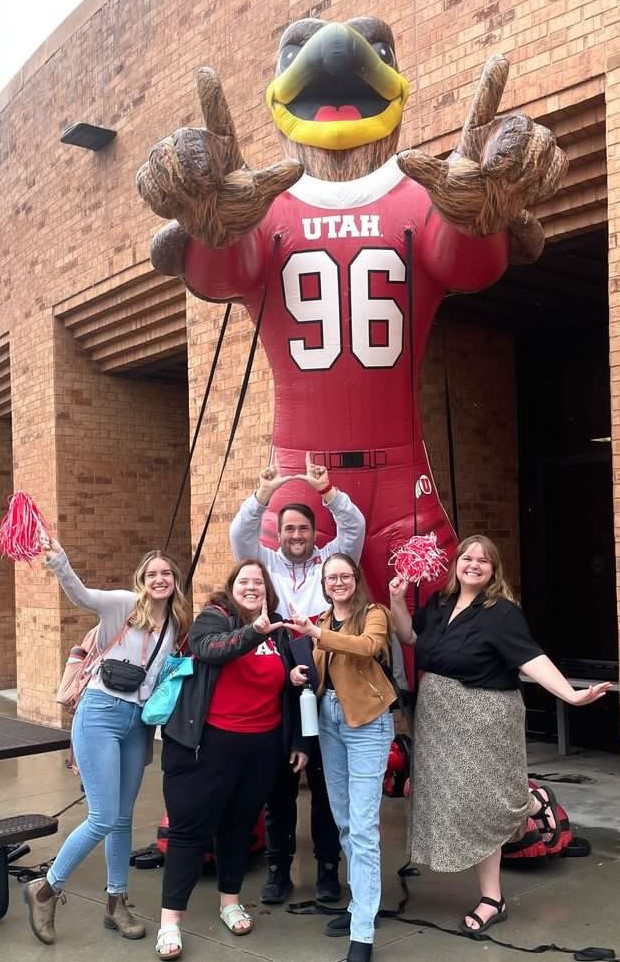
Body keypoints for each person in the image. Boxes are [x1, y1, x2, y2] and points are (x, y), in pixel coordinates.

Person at [389, 534, 611, 935]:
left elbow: (532, 658)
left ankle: (493, 897)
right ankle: (529, 805)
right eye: (467, 557)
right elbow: (410, 637)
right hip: (439, 719)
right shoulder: (438, 605)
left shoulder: (501, 612)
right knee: (452, 799)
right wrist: (397, 600)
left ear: (494, 570)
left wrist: (570, 695)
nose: (474, 564)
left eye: (483, 560)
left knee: (484, 802)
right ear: (456, 563)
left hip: (486, 716)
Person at [23, 539, 191, 946]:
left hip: (138, 724)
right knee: (102, 815)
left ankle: (116, 902)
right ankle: (46, 888)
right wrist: (60, 562)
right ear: (142, 580)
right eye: (152, 574)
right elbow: (81, 595)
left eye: (166, 573)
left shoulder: (176, 624)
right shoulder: (123, 605)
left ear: (175, 580)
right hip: (100, 711)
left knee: (122, 817)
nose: (159, 579)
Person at [155, 559, 308, 961]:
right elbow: (210, 651)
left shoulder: (277, 628)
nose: (252, 587)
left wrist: (295, 740)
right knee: (190, 832)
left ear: (268, 591)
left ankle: (230, 902)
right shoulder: (214, 618)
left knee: (238, 828)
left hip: (261, 747)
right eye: (245, 581)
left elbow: (289, 685)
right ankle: (170, 922)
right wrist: (251, 631)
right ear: (232, 586)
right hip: (210, 745)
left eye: (259, 582)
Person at [230, 454, 365, 903]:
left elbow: (356, 529)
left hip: (324, 665)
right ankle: (278, 870)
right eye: (288, 528)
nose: (296, 535)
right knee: (279, 780)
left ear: (313, 533)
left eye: (303, 529)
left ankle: (328, 870)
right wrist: (262, 496)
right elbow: (238, 534)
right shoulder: (263, 561)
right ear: (279, 533)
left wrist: (328, 493)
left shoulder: (330, 561)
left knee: (326, 778)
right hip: (277, 667)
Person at [288, 552, 397, 962]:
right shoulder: (319, 620)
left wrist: (317, 637)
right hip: (330, 720)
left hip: (367, 722)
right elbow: (320, 668)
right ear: (324, 582)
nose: (338, 582)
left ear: (356, 578)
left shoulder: (374, 613)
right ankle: (360, 906)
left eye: (344, 575)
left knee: (365, 827)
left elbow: (367, 648)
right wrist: (299, 673)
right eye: (331, 577)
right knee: (346, 821)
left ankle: (363, 932)